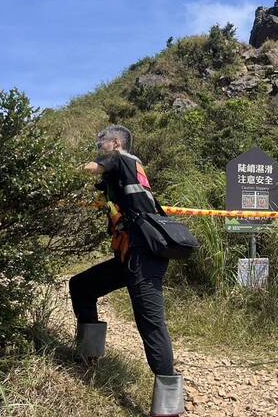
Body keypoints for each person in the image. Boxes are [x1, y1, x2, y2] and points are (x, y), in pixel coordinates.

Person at [69, 125, 183, 416]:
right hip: (129, 255)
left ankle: (169, 408)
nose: (98, 147)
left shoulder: (120, 158)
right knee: (82, 286)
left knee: (151, 324)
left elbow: (90, 169)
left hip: (142, 255)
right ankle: (90, 358)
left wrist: (60, 171)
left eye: (101, 143)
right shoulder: (127, 168)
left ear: (116, 143)